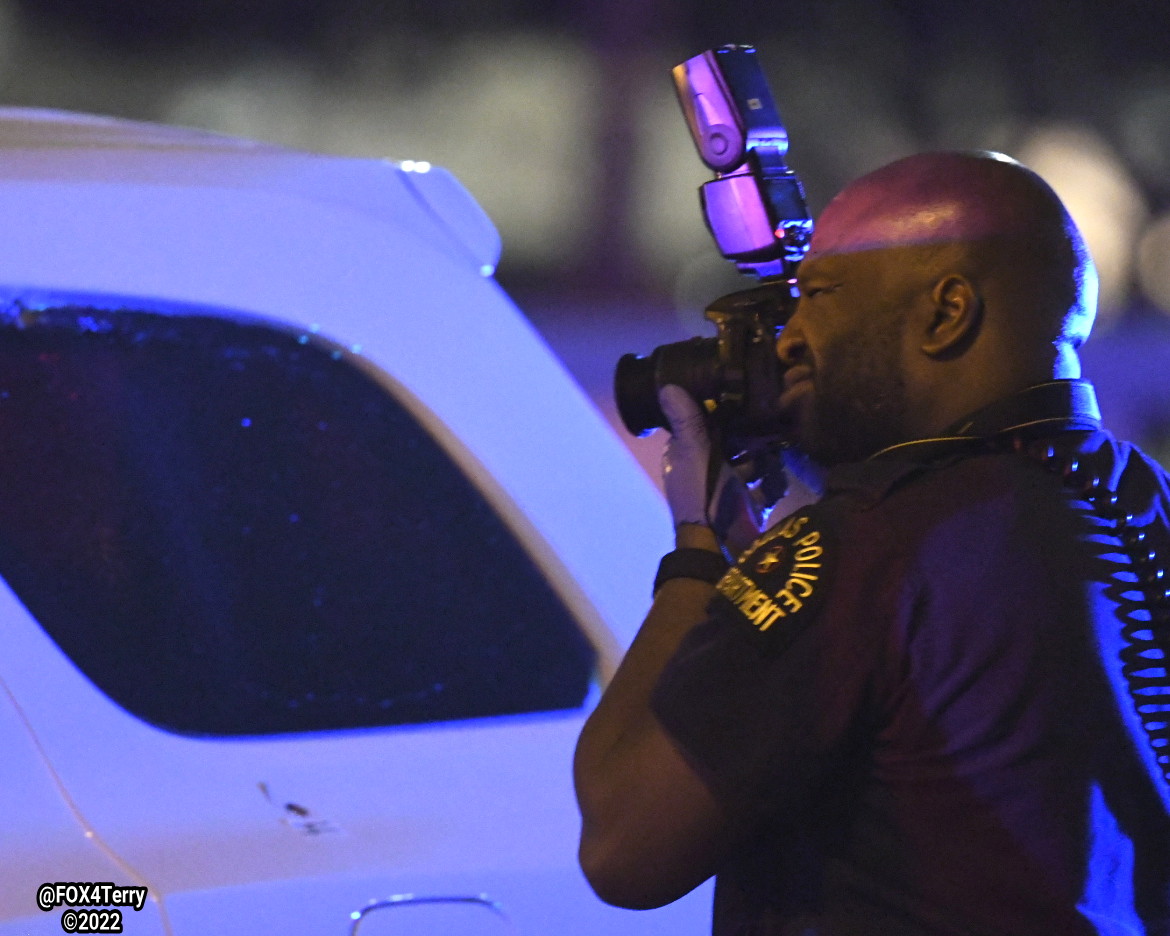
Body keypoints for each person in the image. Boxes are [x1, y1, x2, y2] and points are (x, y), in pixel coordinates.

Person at [574, 150, 1170, 935]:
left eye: (818, 296)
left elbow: (625, 847)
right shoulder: (1139, 499)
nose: (789, 339)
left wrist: (698, 553)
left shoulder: (871, 544)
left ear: (946, 312)